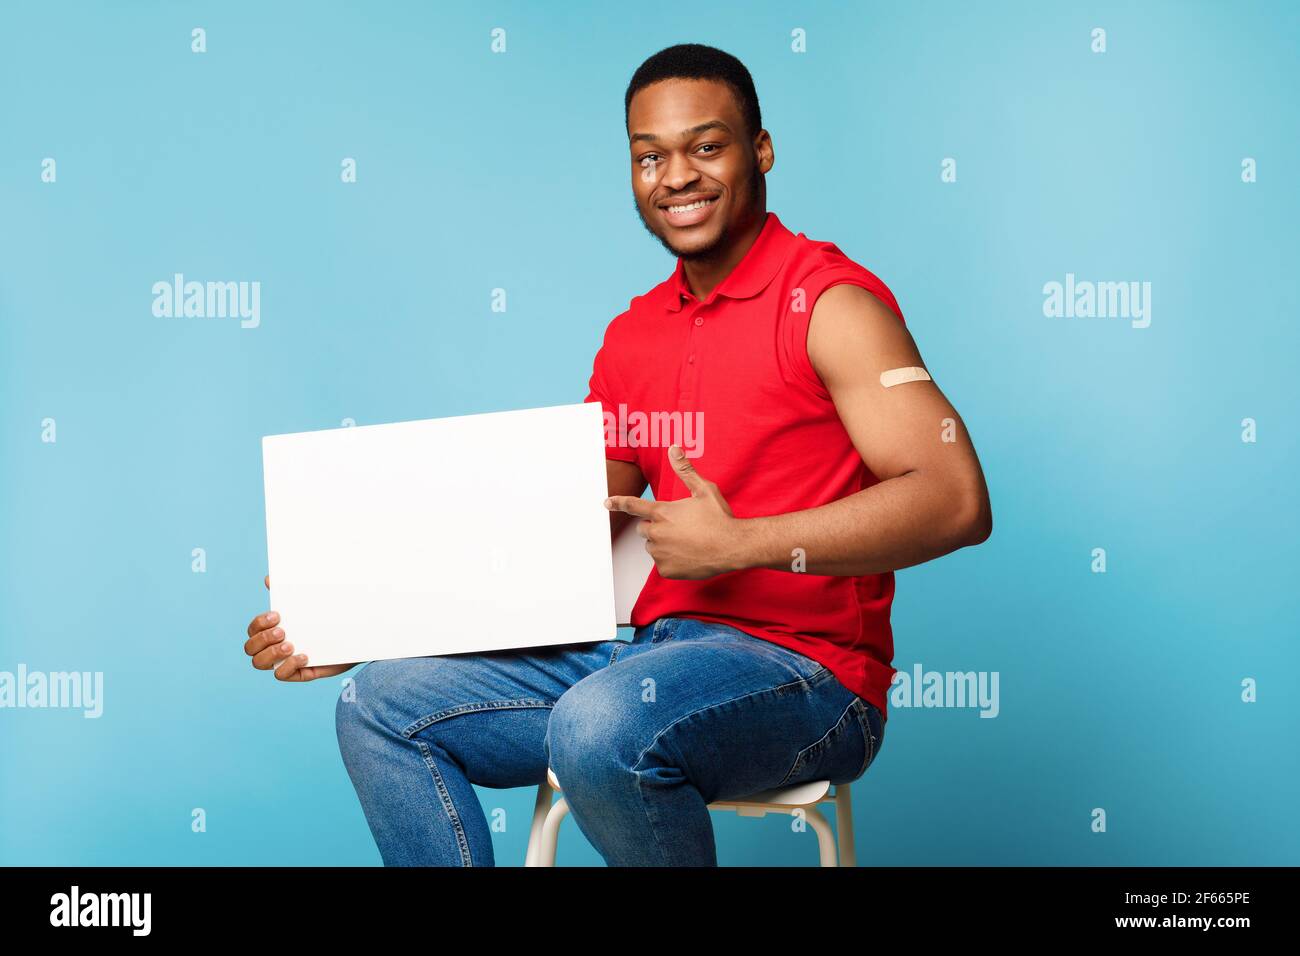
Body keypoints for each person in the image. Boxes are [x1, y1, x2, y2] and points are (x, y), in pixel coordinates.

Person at [242, 43, 992, 866]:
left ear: (761, 151)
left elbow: (955, 499)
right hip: (646, 658)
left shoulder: (830, 304)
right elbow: (558, 541)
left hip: (810, 678)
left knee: (598, 723)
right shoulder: (634, 335)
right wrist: (366, 614)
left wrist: (744, 542)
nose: (676, 176)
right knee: (379, 704)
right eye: (650, 156)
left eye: (706, 146)